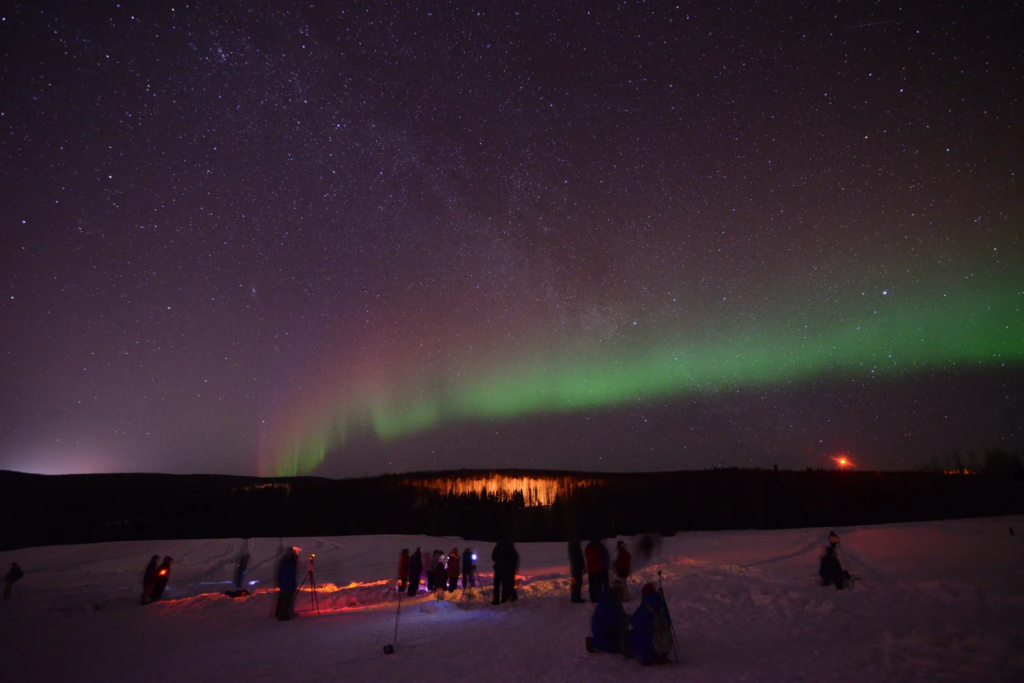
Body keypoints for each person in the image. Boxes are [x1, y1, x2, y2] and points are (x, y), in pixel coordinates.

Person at [627, 583, 673, 666]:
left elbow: (636, 621)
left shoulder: (647, 605)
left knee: (631, 636)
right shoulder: (661, 603)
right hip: (663, 635)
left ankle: (647, 657)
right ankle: (661, 654)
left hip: (651, 636)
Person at [586, 584, 628, 654]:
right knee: (611, 647)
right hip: (601, 627)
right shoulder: (606, 601)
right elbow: (609, 617)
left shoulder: (615, 600)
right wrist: (622, 618)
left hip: (611, 626)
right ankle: (592, 641)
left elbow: (619, 613)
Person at [491, 538, 519, 605]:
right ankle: (504, 599)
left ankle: (496, 600)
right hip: (507, 569)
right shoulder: (510, 547)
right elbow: (515, 558)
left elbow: (493, 557)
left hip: (498, 568)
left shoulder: (497, 547)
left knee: (496, 585)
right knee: (505, 584)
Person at [276, 547, 298, 620]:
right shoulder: (289, 564)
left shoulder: (287, 563)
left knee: (286, 600)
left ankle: (287, 613)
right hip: (287, 586)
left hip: (286, 585)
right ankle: (282, 615)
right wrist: (290, 586)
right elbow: (288, 576)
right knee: (286, 601)